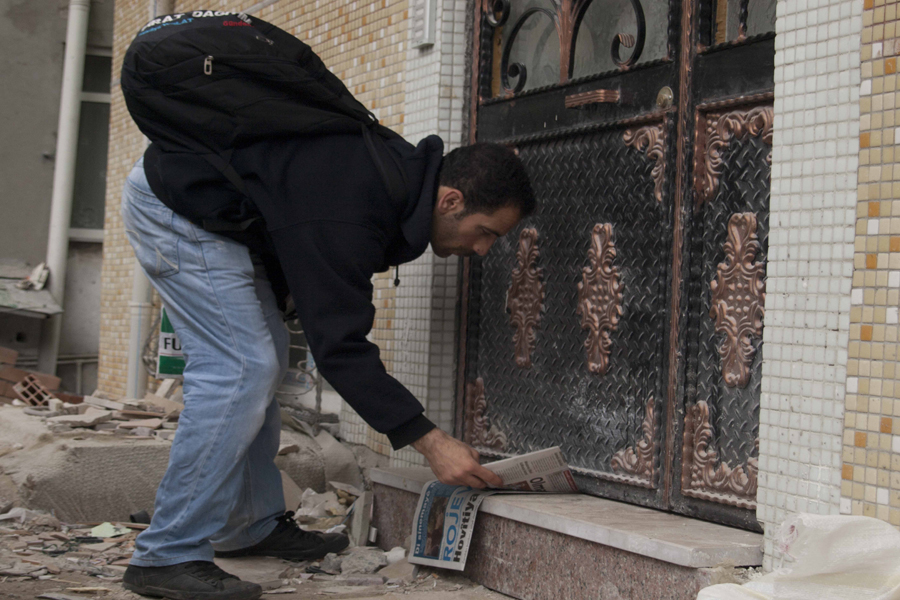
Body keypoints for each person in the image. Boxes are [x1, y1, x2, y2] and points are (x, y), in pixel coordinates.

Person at [118, 65, 534, 600]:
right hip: (175, 208)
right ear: (451, 200)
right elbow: (340, 348)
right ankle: (166, 554)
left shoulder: (391, 184)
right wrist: (432, 443)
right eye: (485, 234)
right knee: (241, 368)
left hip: (216, 219)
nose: (482, 251)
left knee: (257, 366)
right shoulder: (359, 202)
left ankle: (247, 525)